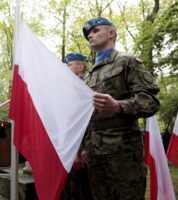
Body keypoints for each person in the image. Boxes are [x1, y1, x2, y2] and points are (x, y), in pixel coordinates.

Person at [81, 17, 160, 200]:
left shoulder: (128, 61)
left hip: (123, 153)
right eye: (88, 34)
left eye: (95, 31)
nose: (90, 36)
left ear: (111, 33)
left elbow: (150, 101)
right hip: (94, 152)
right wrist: (85, 147)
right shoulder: (88, 76)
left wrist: (118, 106)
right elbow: (86, 116)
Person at [61, 52, 93, 200]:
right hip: (69, 148)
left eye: (68, 65)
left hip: (80, 150)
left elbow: (83, 122)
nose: (65, 68)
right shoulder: (71, 87)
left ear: (80, 67)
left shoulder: (85, 88)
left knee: (81, 190)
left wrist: (79, 150)